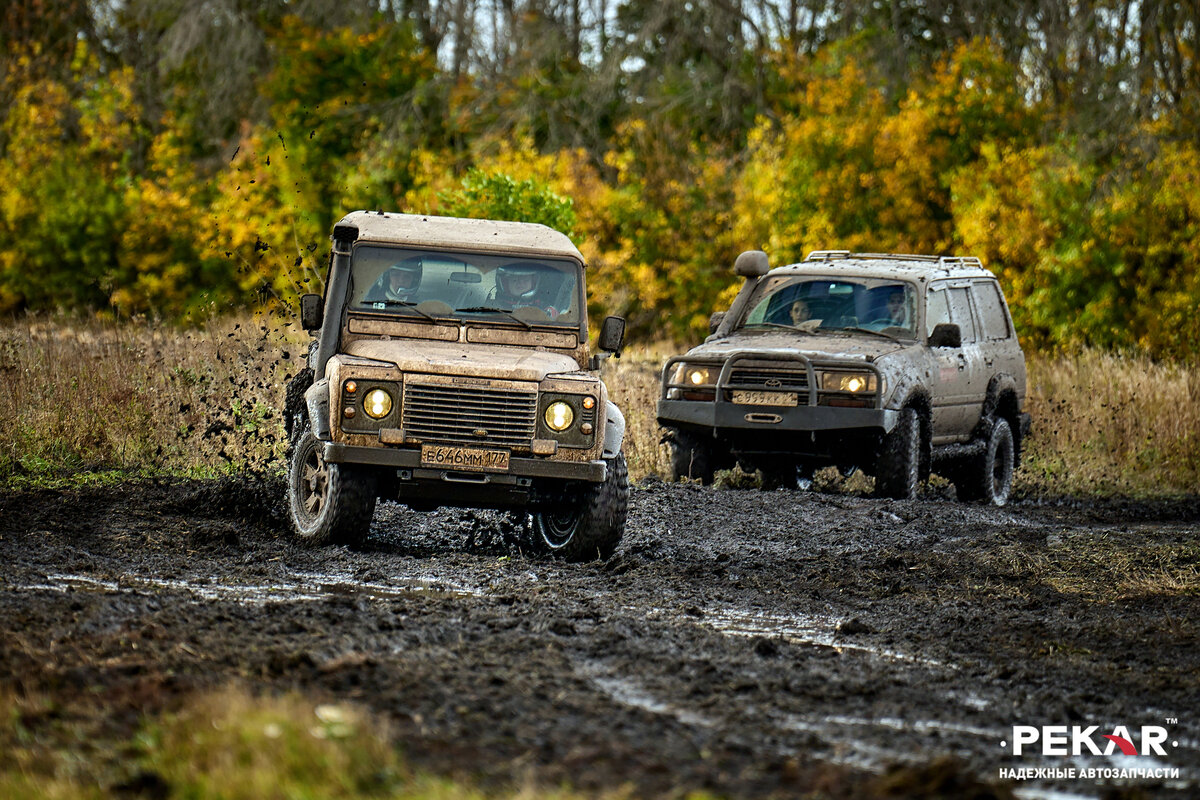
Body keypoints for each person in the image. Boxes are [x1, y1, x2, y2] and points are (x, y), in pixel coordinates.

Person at [494, 262, 559, 318]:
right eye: (515, 280)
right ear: (506, 284)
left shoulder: (546, 309)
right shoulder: (493, 307)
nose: (520, 283)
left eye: (526, 280)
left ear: (533, 283)